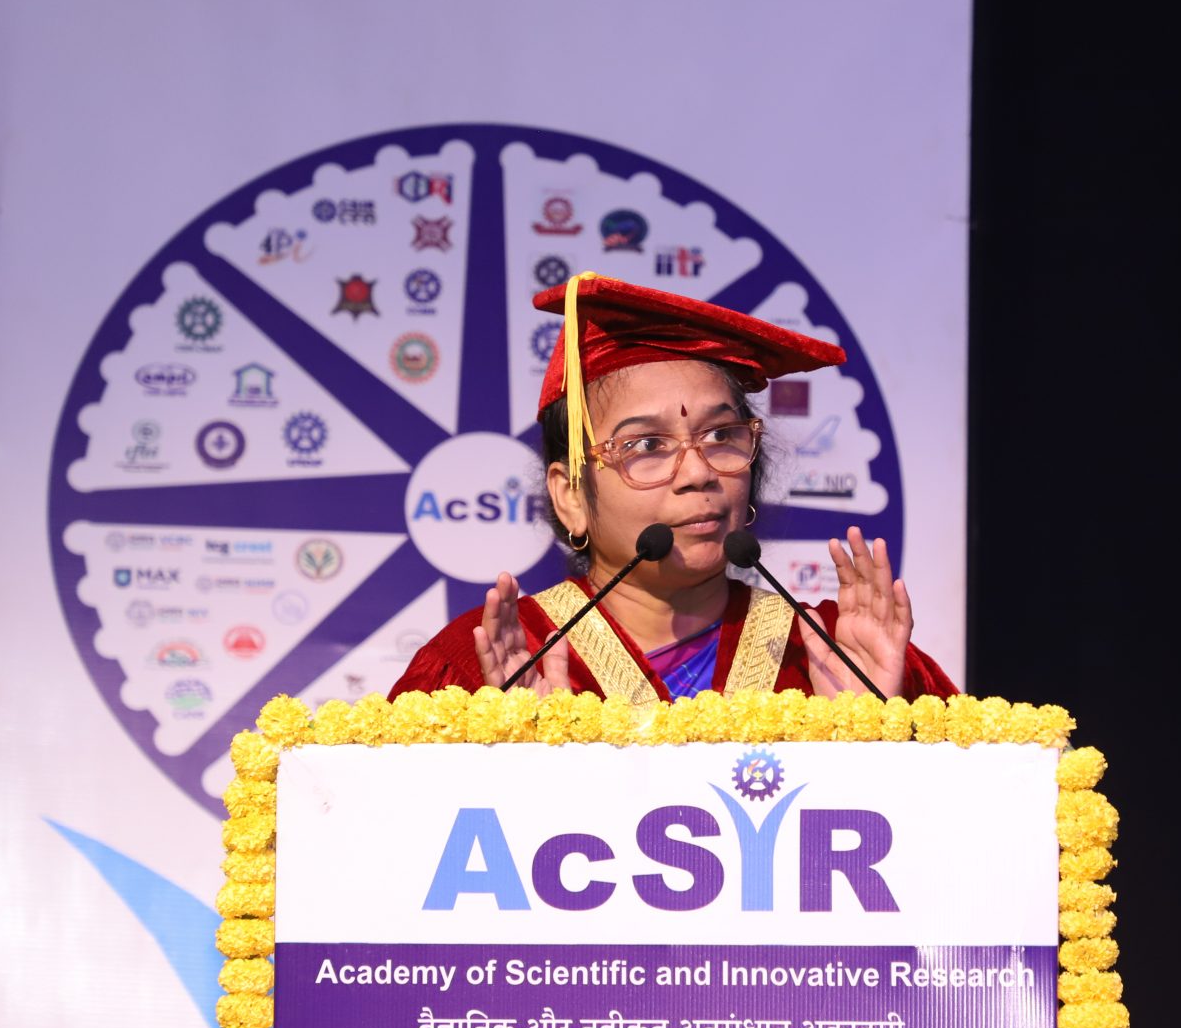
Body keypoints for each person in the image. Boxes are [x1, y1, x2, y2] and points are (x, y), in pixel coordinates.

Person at [389, 273, 957, 705]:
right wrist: (508, 762)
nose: (698, 473)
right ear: (570, 496)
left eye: (721, 435)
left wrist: (878, 735)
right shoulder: (484, 664)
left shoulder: (833, 653)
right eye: (647, 445)